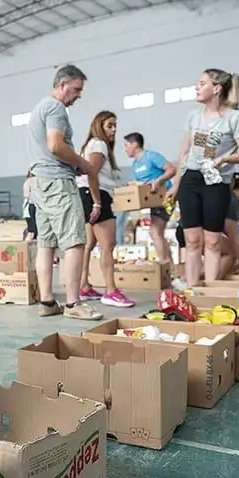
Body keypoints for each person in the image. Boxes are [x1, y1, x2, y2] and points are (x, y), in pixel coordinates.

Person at [26, 65, 102, 320]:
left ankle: (47, 301)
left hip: (40, 183)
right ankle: (73, 304)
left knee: (47, 243)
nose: (79, 96)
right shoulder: (56, 108)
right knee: (75, 241)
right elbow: (56, 145)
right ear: (62, 85)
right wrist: (82, 163)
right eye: (76, 89)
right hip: (58, 183)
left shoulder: (39, 107)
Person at [166, 68, 239, 288]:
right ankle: (193, 289)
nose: (197, 87)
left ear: (216, 88)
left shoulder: (236, 117)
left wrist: (224, 159)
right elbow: (184, 153)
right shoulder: (193, 116)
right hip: (191, 180)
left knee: (213, 242)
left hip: (216, 183)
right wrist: (176, 183)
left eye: (202, 83)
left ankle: (212, 291)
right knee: (192, 241)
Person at [78, 111, 134, 308]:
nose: (114, 129)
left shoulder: (90, 144)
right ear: (99, 126)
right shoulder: (99, 144)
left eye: (115, 125)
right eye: (110, 125)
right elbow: (92, 172)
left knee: (89, 244)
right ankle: (110, 290)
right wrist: (97, 202)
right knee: (107, 245)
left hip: (87, 194)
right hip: (96, 195)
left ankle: (83, 286)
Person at [123, 132, 177, 266]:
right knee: (157, 232)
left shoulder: (152, 156)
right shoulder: (135, 165)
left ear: (135, 144)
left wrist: (159, 181)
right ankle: (169, 266)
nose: (125, 149)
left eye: (126, 145)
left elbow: (171, 170)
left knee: (155, 231)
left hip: (165, 198)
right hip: (154, 202)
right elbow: (143, 185)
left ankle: (164, 265)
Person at [22, 172, 37, 241]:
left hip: (28, 205)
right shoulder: (32, 181)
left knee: (31, 229)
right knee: (33, 230)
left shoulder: (27, 181)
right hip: (31, 204)